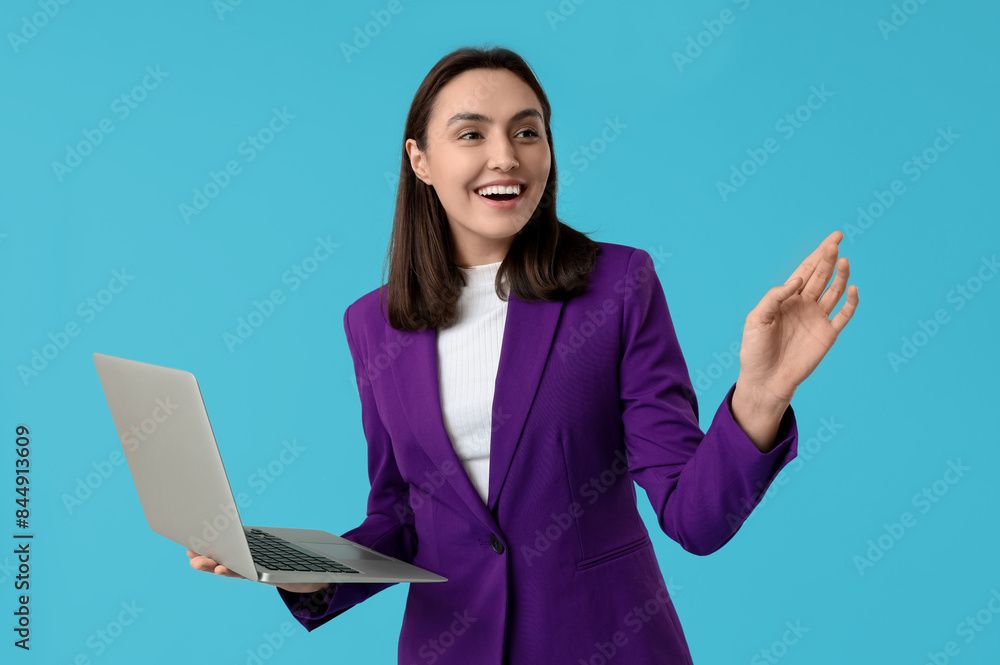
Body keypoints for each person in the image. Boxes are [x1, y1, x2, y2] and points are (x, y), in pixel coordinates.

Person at [188, 45, 858, 663]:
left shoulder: (619, 287)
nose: (506, 156)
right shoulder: (373, 322)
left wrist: (760, 398)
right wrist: (307, 567)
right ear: (420, 160)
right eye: (472, 133)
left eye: (527, 131)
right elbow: (400, 516)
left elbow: (695, 516)